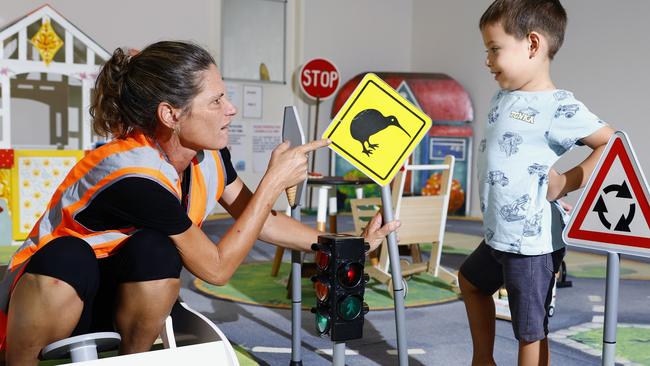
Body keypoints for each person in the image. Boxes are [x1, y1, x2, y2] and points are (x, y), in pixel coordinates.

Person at [0, 41, 399, 365]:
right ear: (171, 114)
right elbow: (216, 268)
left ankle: (132, 361)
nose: (231, 109)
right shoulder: (133, 176)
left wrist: (353, 244)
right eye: (216, 100)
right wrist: (272, 181)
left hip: (118, 302)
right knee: (70, 255)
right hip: (50, 296)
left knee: (155, 249)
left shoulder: (206, 157)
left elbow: (262, 221)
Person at [458, 1, 615, 365]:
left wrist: (567, 181)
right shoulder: (503, 97)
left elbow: (611, 144)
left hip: (531, 243)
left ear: (532, 44)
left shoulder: (558, 106)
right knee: (470, 282)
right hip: (499, 234)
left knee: (529, 330)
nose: (487, 60)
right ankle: (483, 359)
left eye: (494, 49)